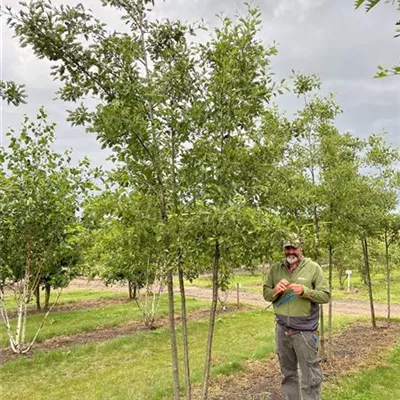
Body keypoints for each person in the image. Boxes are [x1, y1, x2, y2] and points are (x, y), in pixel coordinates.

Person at [263, 234, 330, 400]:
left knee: (310, 376)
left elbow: (325, 296)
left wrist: (306, 291)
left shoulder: (314, 268)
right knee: (288, 374)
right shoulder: (276, 269)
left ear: (301, 248)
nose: (290, 251)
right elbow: (266, 294)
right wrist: (275, 290)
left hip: (305, 332)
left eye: (294, 247)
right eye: (287, 248)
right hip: (282, 329)